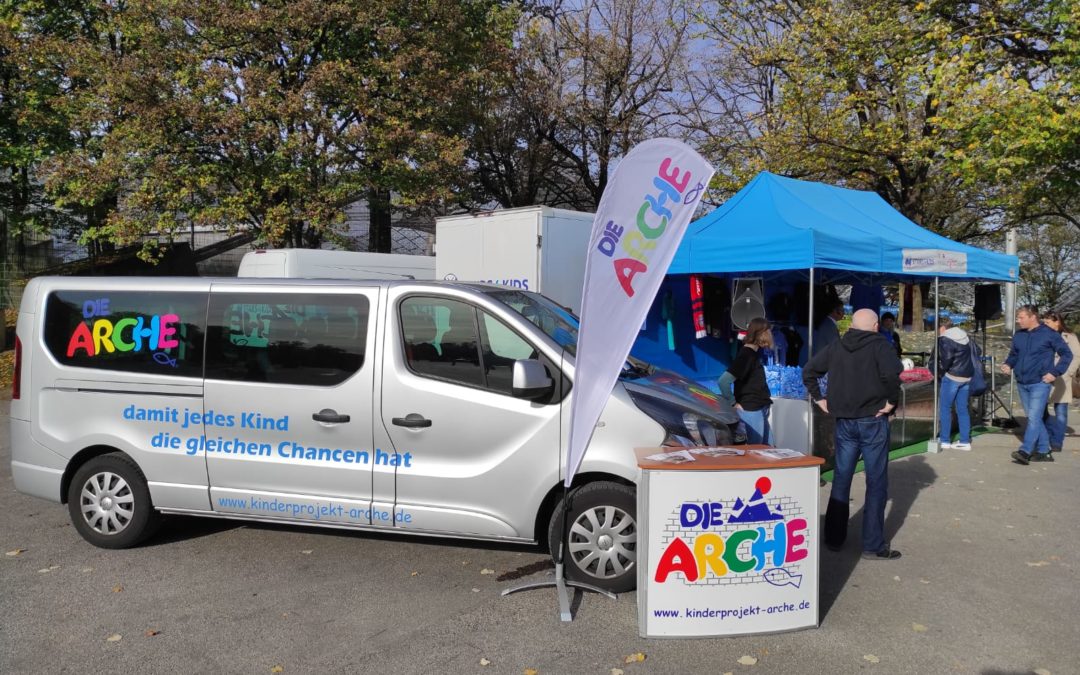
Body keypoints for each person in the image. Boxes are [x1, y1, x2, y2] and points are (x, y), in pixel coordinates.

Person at [803, 308, 903, 560]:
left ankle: (834, 539)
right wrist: (892, 401)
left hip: (845, 421)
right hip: (872, 420)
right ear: (875, 325)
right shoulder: (881, 346)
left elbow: (809, 371)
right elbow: (893, 375)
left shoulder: (837, 345)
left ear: (853, 325)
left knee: (842, 478)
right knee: (876, 482)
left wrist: (820, 399)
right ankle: (872, 545)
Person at [1001, 305, 1073, 465]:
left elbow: (1067, 354)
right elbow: (1014, 354)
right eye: (1017, 318)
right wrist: (1008, 364)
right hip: (1022, 381)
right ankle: (1044, 451)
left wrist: (1055, 372)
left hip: (1040, 383)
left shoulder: (1050, 334)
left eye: (1021, 317)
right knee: (1035, 418)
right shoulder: (1019, 335)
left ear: (1032, 317)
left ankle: (1025, 451)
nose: (1018, 321)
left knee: (1034, 418)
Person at [727, 317, 774, 444]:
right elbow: (723, 381)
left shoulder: (753, 354)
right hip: (751, 409)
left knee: (769, 449)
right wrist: (733, 403)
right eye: (768, 331)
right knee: (757, 450)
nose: (771, 335)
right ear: (761, 334)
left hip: (759, 407)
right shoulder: (746, 355)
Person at [932, 316, 975, 451]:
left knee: (945, 408)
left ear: (943, 328)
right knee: (962, 409)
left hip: (952, 377)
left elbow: (946, 360)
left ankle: (944, 439)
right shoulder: (965, 336)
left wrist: (940, 372)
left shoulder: (946, 339)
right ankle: (965, 441)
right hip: (966, 377)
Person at [1041, 311, 1080, 453]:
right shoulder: (1043, 334)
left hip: (1062, 379)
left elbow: (1077, 356)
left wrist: (1068, 373)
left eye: (1048, 322)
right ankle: (1049, 434)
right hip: (1045, 377)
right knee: (1042, 411)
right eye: (1044, 322)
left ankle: (1057, 441)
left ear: (1057, 321)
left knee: (1061, 411)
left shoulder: (1070, 337)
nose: (1045, 325)